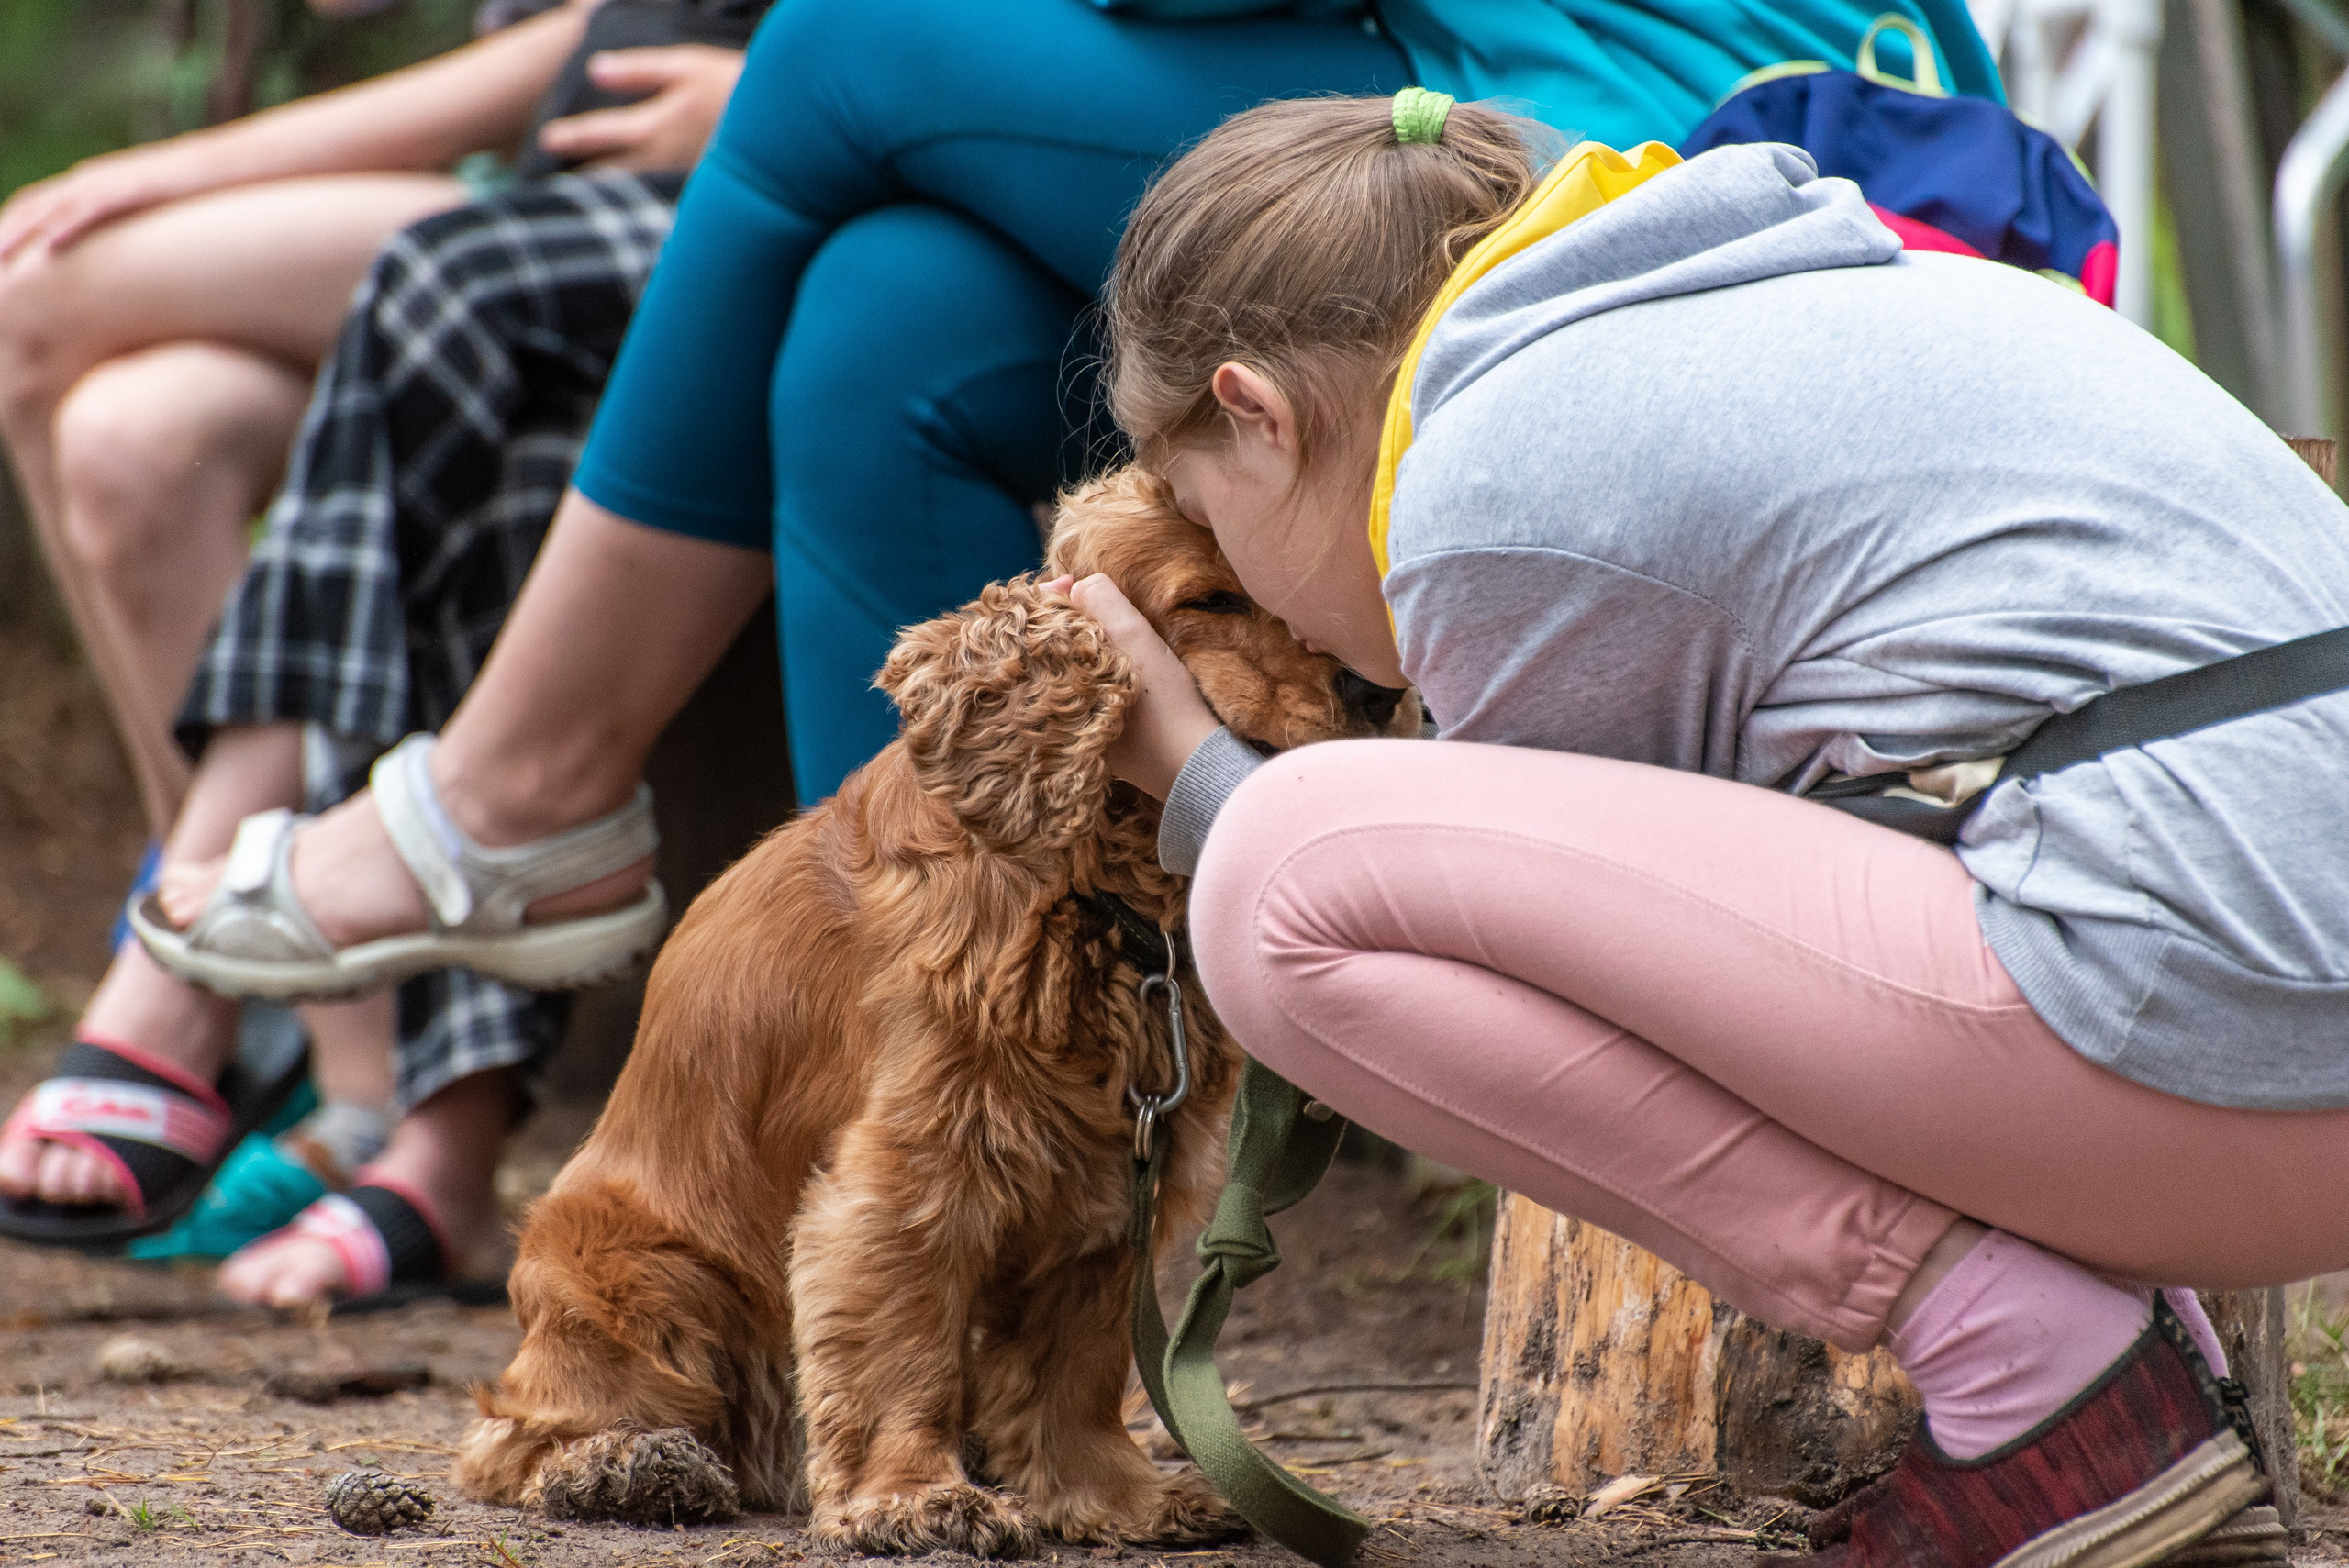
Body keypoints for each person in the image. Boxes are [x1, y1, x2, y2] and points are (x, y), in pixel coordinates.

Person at [40, 0, 1998, 1293]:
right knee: (886, 321)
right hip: (1601, 83)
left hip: (1678, 148)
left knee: (836, 39)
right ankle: (905, 1173)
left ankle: (520, 785)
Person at [1047, 94, 2349, 1565]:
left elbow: (1472, 925)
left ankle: (2034, 1372)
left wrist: (1204, 781)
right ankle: (2130, 1393)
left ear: (1262, 418)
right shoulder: (1736, 292)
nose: (1256, 594)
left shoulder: (1494, 483)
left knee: (1281, 881)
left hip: (2244, 1054)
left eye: (1213, 524)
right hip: (2266, 1036)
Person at [0, 7, 747, 1294]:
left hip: (721, 184)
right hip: (559, 185)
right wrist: (188, 165)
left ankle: (203, 943)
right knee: (135, 434)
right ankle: (307, 1012)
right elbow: (571, 48)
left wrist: (778, 100)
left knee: (36, 298)